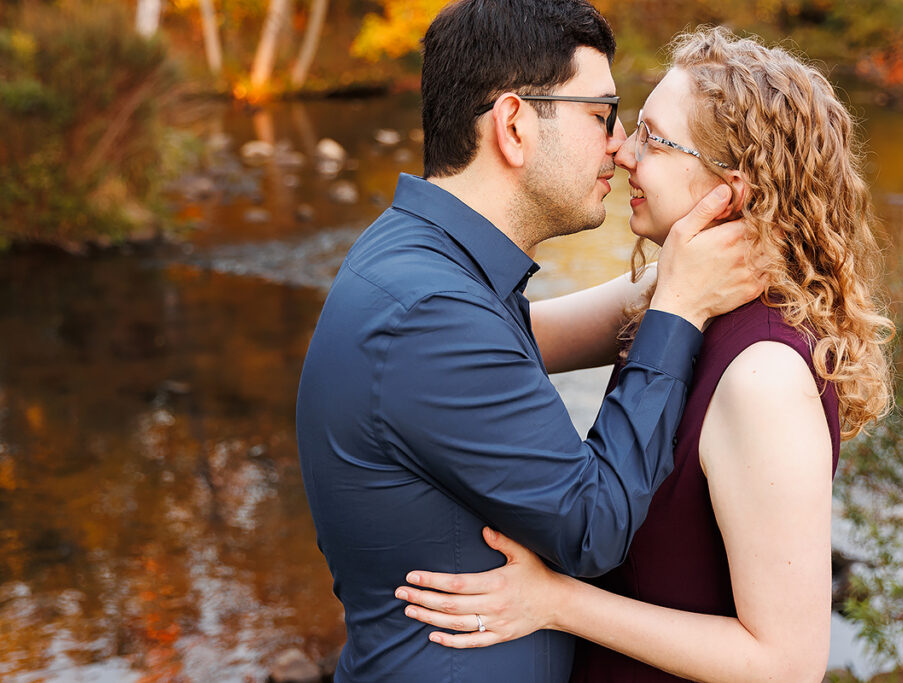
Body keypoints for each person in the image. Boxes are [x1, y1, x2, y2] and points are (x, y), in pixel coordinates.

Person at [395, 27, 895, 683]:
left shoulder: (764, 378)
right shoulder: (676, 291)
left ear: (731, 190)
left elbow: (787, 662)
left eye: (654, 139)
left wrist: (557, 602)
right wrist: (394, 295)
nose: (622, 151)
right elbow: (504, 343)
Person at [295, 3, 762, 682]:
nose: (619, 145)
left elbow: (516, 343)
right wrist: (681, 307)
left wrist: (686, 276)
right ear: (514, 125)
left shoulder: (424, 258)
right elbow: (591, 526)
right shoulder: (432, 312)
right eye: (601, 114)